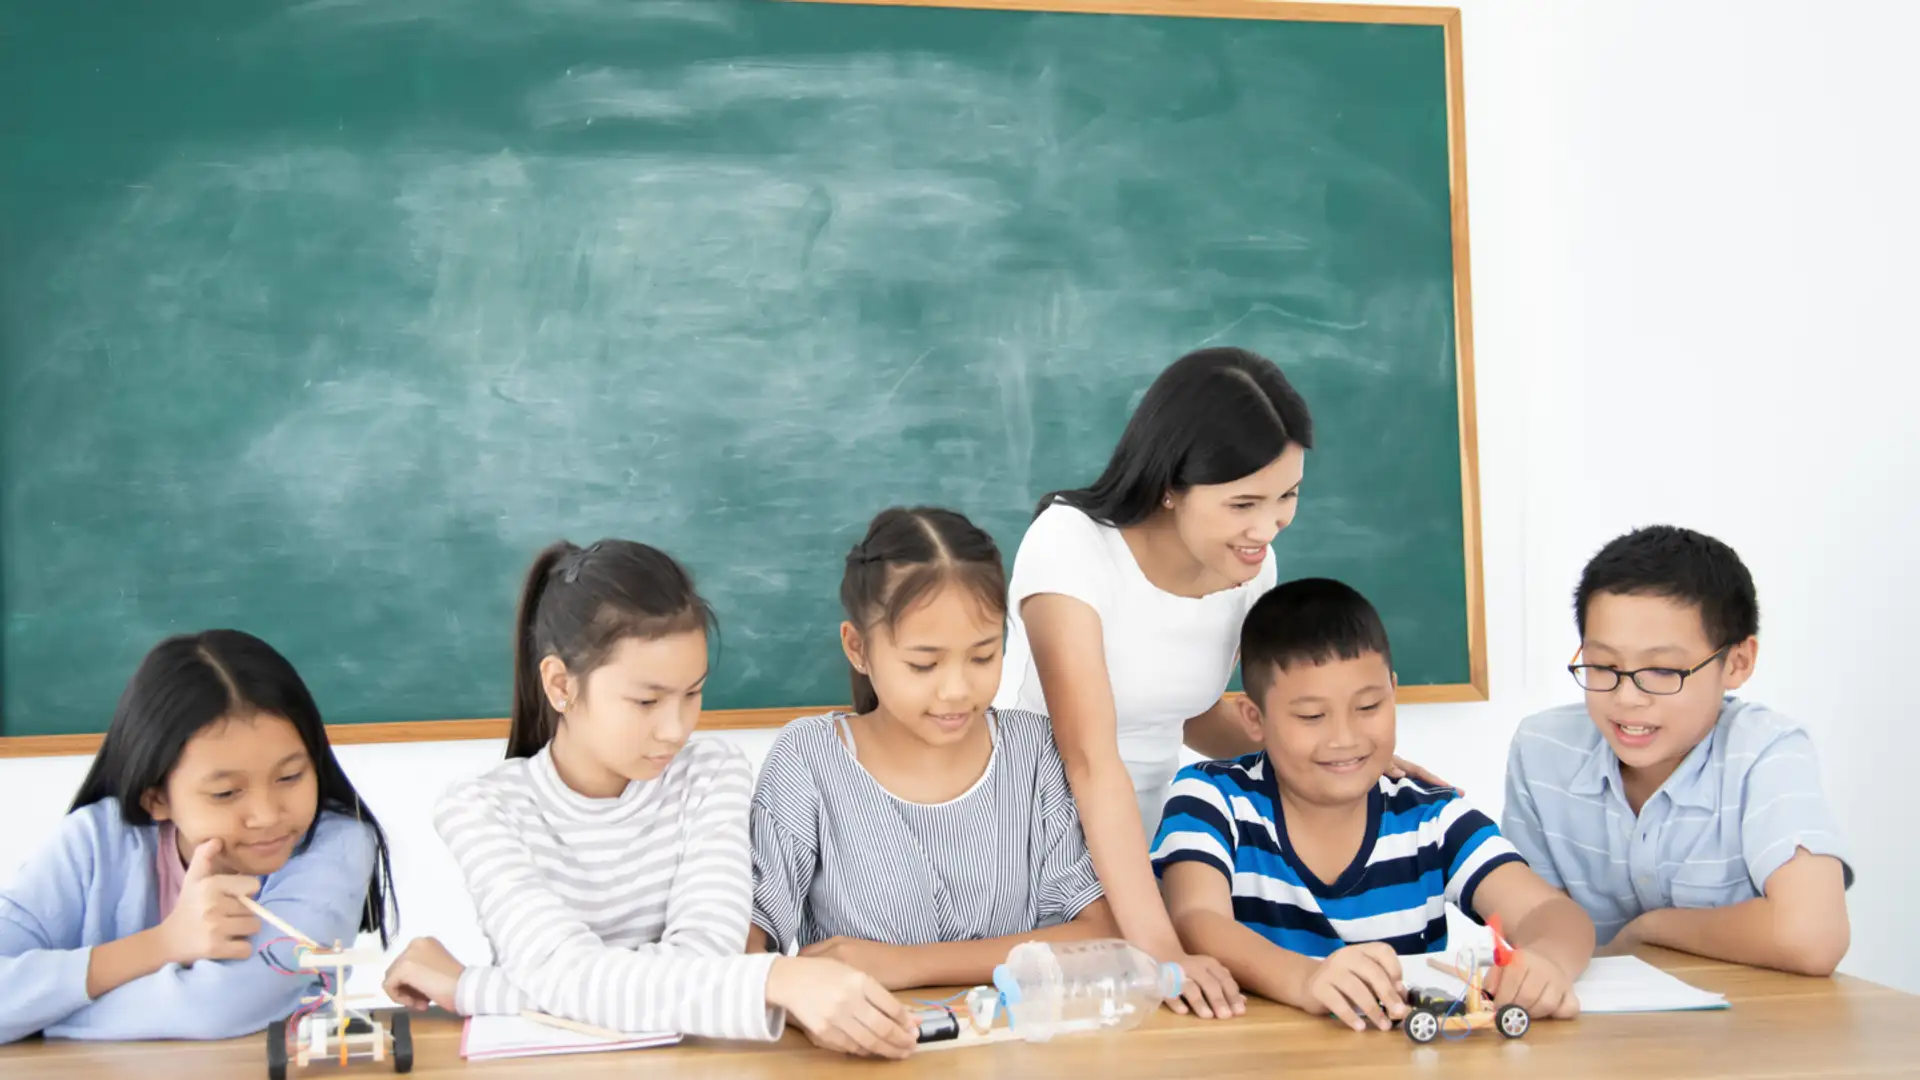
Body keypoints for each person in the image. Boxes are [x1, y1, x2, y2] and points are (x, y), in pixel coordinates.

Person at [996, 345, 1441, 1018]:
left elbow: (1191, 711)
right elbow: (1088, 757)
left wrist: (1343, 761)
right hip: (1035, 839)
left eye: (1288, 495)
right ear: (1172, 484)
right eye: (1243, 503)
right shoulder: (1071, 546)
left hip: (1147, 841)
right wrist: (1160, 948)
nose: (1267, 526)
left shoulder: (1251, 564)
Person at [381, 539, 918, 1059]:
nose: (675, 729)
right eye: (646, 701)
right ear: (561, 684)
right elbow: (563, 974)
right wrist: (775, 978)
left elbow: (705, 958)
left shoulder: (712, 775)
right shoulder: (481, 810)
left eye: (692, 694)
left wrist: (474, 988)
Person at [1154, 579, 1594, 1030]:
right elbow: (1195, 918)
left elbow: (1551, 913)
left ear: (1393, 692)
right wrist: (1306, 979)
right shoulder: (1211, 798)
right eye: (1311, 716)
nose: (1345, 738)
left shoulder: (1431, 818)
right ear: (1254, 718)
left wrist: (1546, 962)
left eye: (1368, 707)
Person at [749, 508, 1116, 1002]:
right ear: (858, 648)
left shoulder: (1033, 751)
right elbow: (752, 934)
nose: (956, 690)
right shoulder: (809, 759)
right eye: (924, 664)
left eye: (984, 655)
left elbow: (1094, 933)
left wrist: (906, 965)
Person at [0, 630, 396, 1044]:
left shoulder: (335, 845)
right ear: (156, 798)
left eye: (290, 776)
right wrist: (162, 943)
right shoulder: (94, 842)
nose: (266, 816)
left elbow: (219, 1007)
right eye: (225, 793)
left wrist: (37, 1014)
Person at [1502, 525, 1851, 976]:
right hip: (1593, 1032)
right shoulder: (1542, 750)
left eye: (1664, 670)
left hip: (1752, 1028)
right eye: (1604, 665)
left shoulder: (1765, 751)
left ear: (1738, 662)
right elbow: (1530, 923)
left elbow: (1813, 937)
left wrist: (1650, 931)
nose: (1627, 697)